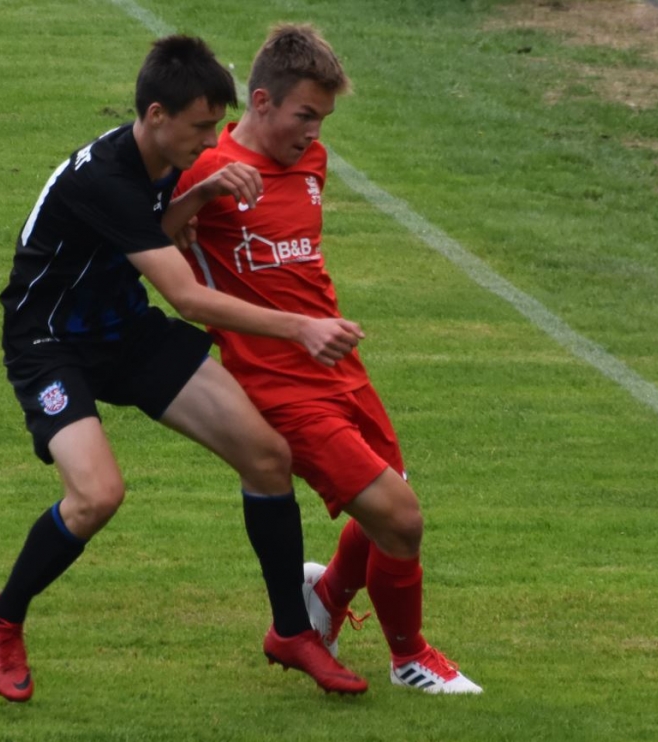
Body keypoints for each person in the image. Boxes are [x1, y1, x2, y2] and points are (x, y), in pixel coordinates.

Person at [0, 34, 369, 703]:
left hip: (125, 331)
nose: (213, 140)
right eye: (201, 127)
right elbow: (186, 297)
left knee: (267, 457)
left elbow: (159, 229)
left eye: (217, 125)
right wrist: (300, 326)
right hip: (50, 344)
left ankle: (291, 632)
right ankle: (2, 618)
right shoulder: (106, 179)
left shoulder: (166, 161)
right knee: (97, 496)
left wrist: (202, 189)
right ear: (156, 115)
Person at [173, 24, 482, 694]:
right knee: (400, 518)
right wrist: (196, 198)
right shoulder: (209, 169)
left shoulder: (311, 161)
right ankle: (409, 657)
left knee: (393, 493)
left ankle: (326, 598)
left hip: (341, 363)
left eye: (323, 119)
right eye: (305, 115)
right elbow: (151, 247)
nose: (313, 133)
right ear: (261, 101)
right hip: (279, 385)